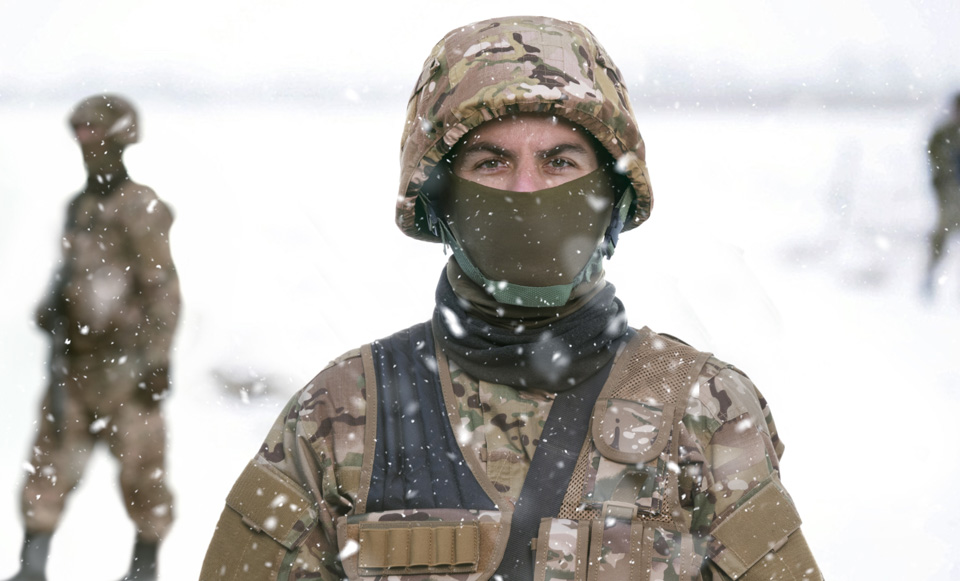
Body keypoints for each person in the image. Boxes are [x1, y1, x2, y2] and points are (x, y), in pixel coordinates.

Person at [199, 16, 822, 580]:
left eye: (560, 161)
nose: (527, 192)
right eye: (491, 163)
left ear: (613, 194)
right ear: (439, 198)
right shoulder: (341, 411)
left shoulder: (703, 408)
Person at [5, 94, 180, 581]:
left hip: (127, 366)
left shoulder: (141, 207)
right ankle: (31, 567)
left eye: (94, 133)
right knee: (47, 466)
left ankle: (144, 568)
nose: (86, 145)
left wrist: (157, 361)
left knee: (143, 474)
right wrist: (53, 308)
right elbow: (73, 274)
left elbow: (162, 290)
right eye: (80, 134)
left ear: (120, 138)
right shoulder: (80, 206)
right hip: (76, 366)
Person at [925, 92, 960, 296]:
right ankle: (930, 277)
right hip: (949, 195)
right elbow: (936, 160)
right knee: (940, 238)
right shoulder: (943, 134)